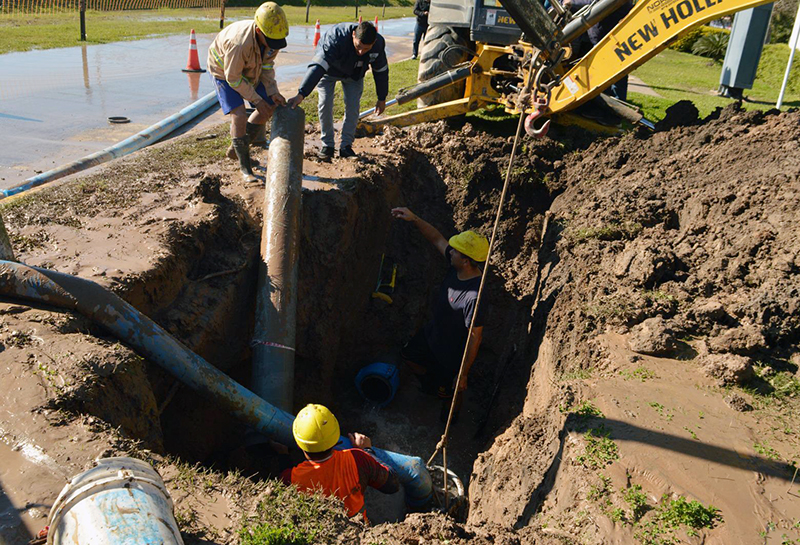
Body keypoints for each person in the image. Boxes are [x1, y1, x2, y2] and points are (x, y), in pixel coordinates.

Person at [391, 207, 488, 422]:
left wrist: (462, 373)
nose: (450, 251)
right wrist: (414, 217)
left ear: (466, 260)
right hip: (432, 335)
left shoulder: (474, 296)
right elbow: (437, 239)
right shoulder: (457, 267)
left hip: (451, 355)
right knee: (408, 356)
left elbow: (475, 337)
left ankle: (450, 420)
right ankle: (432, 386)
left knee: (452, 393)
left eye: (455, 251)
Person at [207, 2, 289, 183]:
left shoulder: (272, 37)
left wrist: (272, 91)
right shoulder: (238, 43)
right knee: (239, 115)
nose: (274, 46)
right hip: (225, 71)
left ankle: (236, 149)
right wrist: (256, 99)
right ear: (259, 32)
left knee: (268, 108)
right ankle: (245, 167)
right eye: (272, 42)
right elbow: (234, 78)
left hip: (252, 67)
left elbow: (267, 67)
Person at [287, 22, 388, 160]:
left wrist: (381, 98)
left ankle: (346, 147)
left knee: (353, 107)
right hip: (328, 71)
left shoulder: (378, 45)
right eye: (358, 47)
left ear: (374, 42)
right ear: (353, 35)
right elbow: (318, 66)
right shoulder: (335, 38)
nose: (361, 52)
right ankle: (327, 146)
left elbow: (381, 71)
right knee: (325, 104)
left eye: (366, 49)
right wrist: (302, 93)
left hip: (354, 74)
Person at [281, 404, 399, 520]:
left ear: (297, 443)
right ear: (336, 435)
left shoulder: (291, 478)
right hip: (358, 529)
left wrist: (282, 454)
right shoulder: (357, 459)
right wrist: (367, 450)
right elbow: (392, 485)